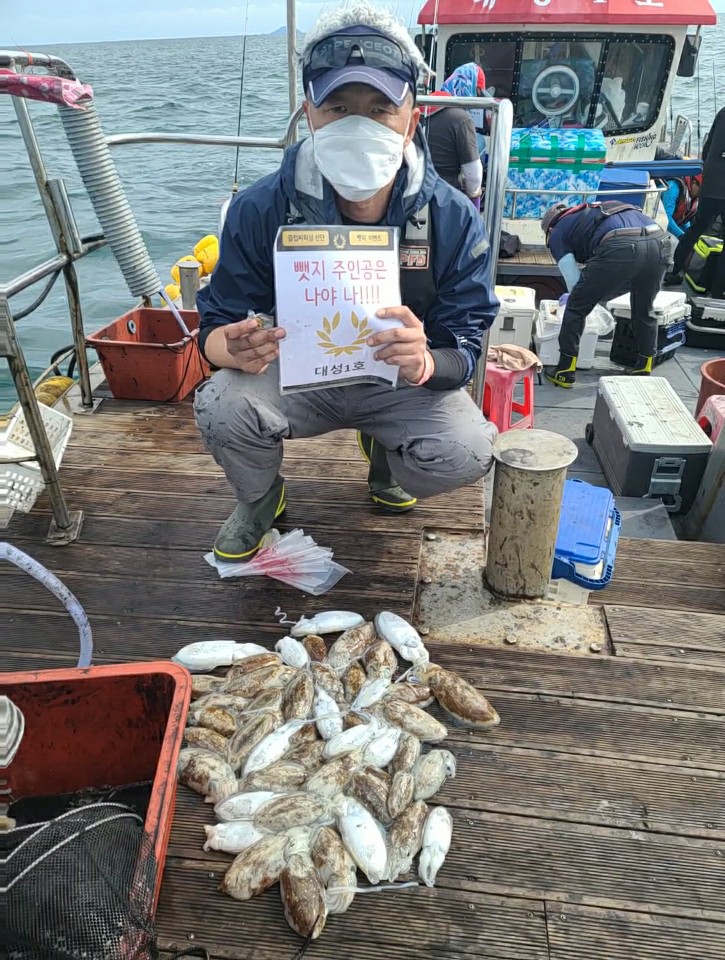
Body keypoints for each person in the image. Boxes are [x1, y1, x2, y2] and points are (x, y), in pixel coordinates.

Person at [193, 2, 499, 563]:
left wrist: (426, 362)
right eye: (338, 107)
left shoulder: (453, 217)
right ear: (309, 114)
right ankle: (259, 497)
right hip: (297, 378)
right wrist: (227, 346)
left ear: (412, 120)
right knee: (220, 404)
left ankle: (388, 455)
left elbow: (467, 343)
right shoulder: (259, 208)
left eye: (380, 109)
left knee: (468, 449)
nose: (359, 126)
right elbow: (215, 321)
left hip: (401, 383)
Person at [541, 200, 672, 386]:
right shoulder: (593, 210)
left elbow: (573, 281)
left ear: (549, 228)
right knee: (644, 307)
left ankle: (564, 370)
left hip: (622, 246)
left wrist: (576, 295)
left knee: (576, 306)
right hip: (659, 241)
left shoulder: (557, 232)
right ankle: (644, 365)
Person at [667, 108, 725, 284]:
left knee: (697, 228)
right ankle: (718, 286)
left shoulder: (722, 113)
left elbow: (707, 148)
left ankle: (675, 272)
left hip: (711, 181)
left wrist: (707, 171)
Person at [422, 63, 486, 208]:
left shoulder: (422, 105)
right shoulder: (461, 119)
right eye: (477, 92)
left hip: (414, 194)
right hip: (445, 198)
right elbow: (473, 175)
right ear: (469, 86)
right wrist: (474, 201)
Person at [661, 174, 701, 240]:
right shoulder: (673, 187)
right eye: (701, 189)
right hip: (656, 224)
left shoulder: (692, 195)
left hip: (668, 224)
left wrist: (691, 234)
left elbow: (683, 219)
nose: (701, 193)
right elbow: (666, 218)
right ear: (693, 182)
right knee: (674, 242)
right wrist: (681, 235)